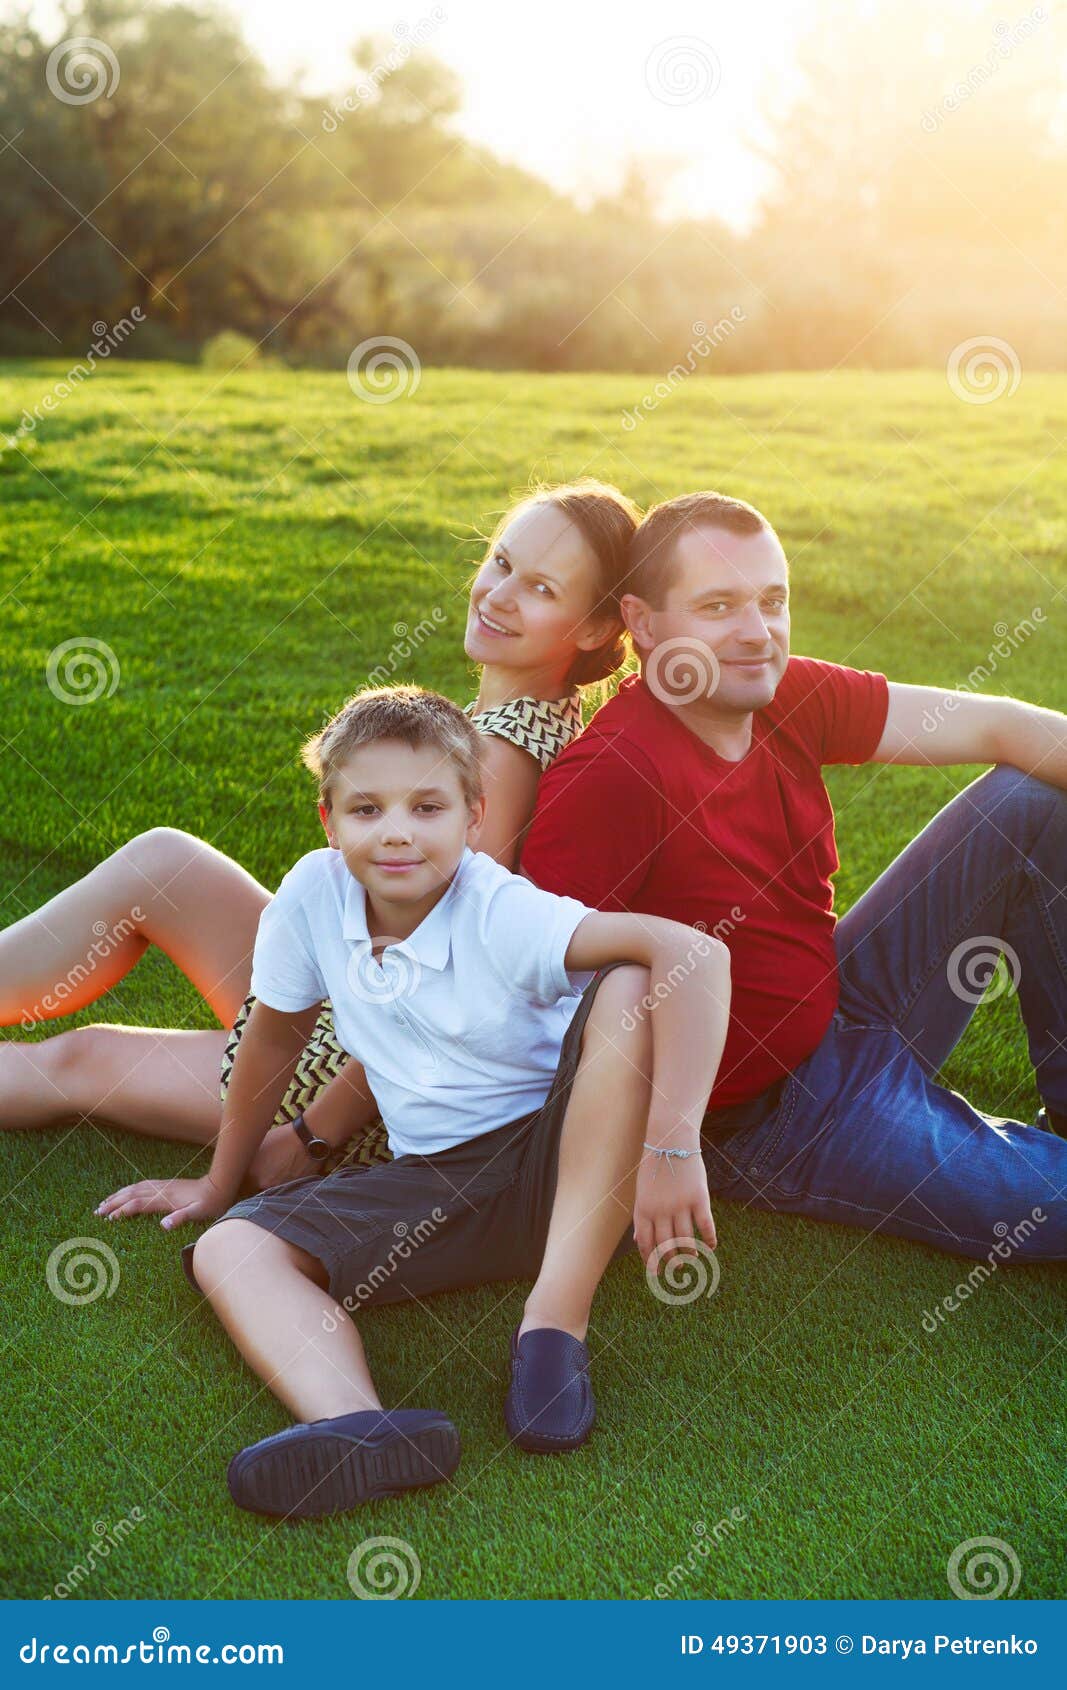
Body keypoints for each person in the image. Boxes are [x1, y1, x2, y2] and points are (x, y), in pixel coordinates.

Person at [102, 686, 731, 1517]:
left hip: (571, 1166)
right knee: (231, 1251)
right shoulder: (312, 895)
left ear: (474, 816)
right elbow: (272, 1040)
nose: (396, 830)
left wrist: (671, 1145)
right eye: (367, 808)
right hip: (442, 1182)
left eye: (426, 806)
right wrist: (223, 1183)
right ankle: (361, 1428)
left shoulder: (498, 909)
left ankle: (552, 1327)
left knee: (628, 981)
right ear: (328, 821)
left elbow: (689, 952)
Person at [0, 480, 639, 1197]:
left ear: (591, 628)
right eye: (500, 562)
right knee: (163, 861)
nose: (497, 595)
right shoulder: (524, 719)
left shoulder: (500, 759)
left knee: (80, 1062)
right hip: (341, 987)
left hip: (345, 1073)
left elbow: (430, 983)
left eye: (542, 588)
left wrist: (306, 1139)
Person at [520, 490, 1067, 1263]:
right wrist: (664, 1146)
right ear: (644, 624)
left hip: (846, 997)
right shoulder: (612, 777)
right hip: (777, 1113)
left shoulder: (781, 693)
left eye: (771, 601)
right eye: (717, 606)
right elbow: (543, 995)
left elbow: (998, 725)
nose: (756, 633)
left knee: (1028, 802)